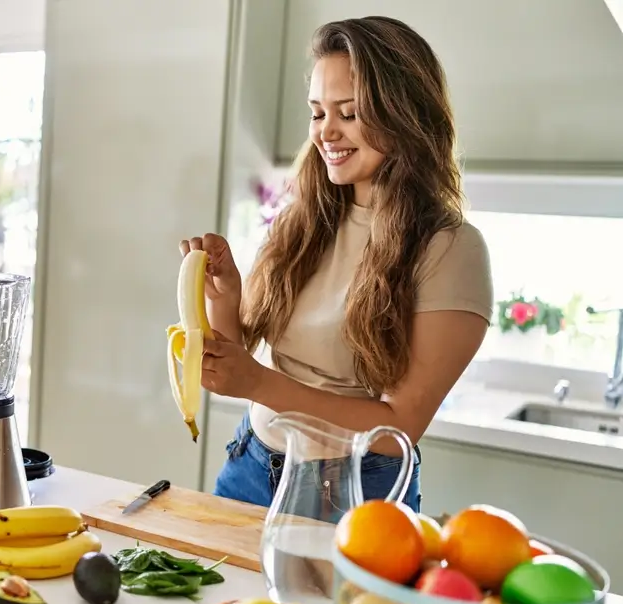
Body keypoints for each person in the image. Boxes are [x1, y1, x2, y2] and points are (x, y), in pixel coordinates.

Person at [179, 16, 493, 516]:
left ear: (405, 115)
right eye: (317, 112)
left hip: (352, 493)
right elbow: (247, 365)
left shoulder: (449, 249)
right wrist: (226, 300)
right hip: (250, 464)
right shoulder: (306, 220)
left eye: (348, 113)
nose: (326, 132)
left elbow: (400, 428)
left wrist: (259, 382)